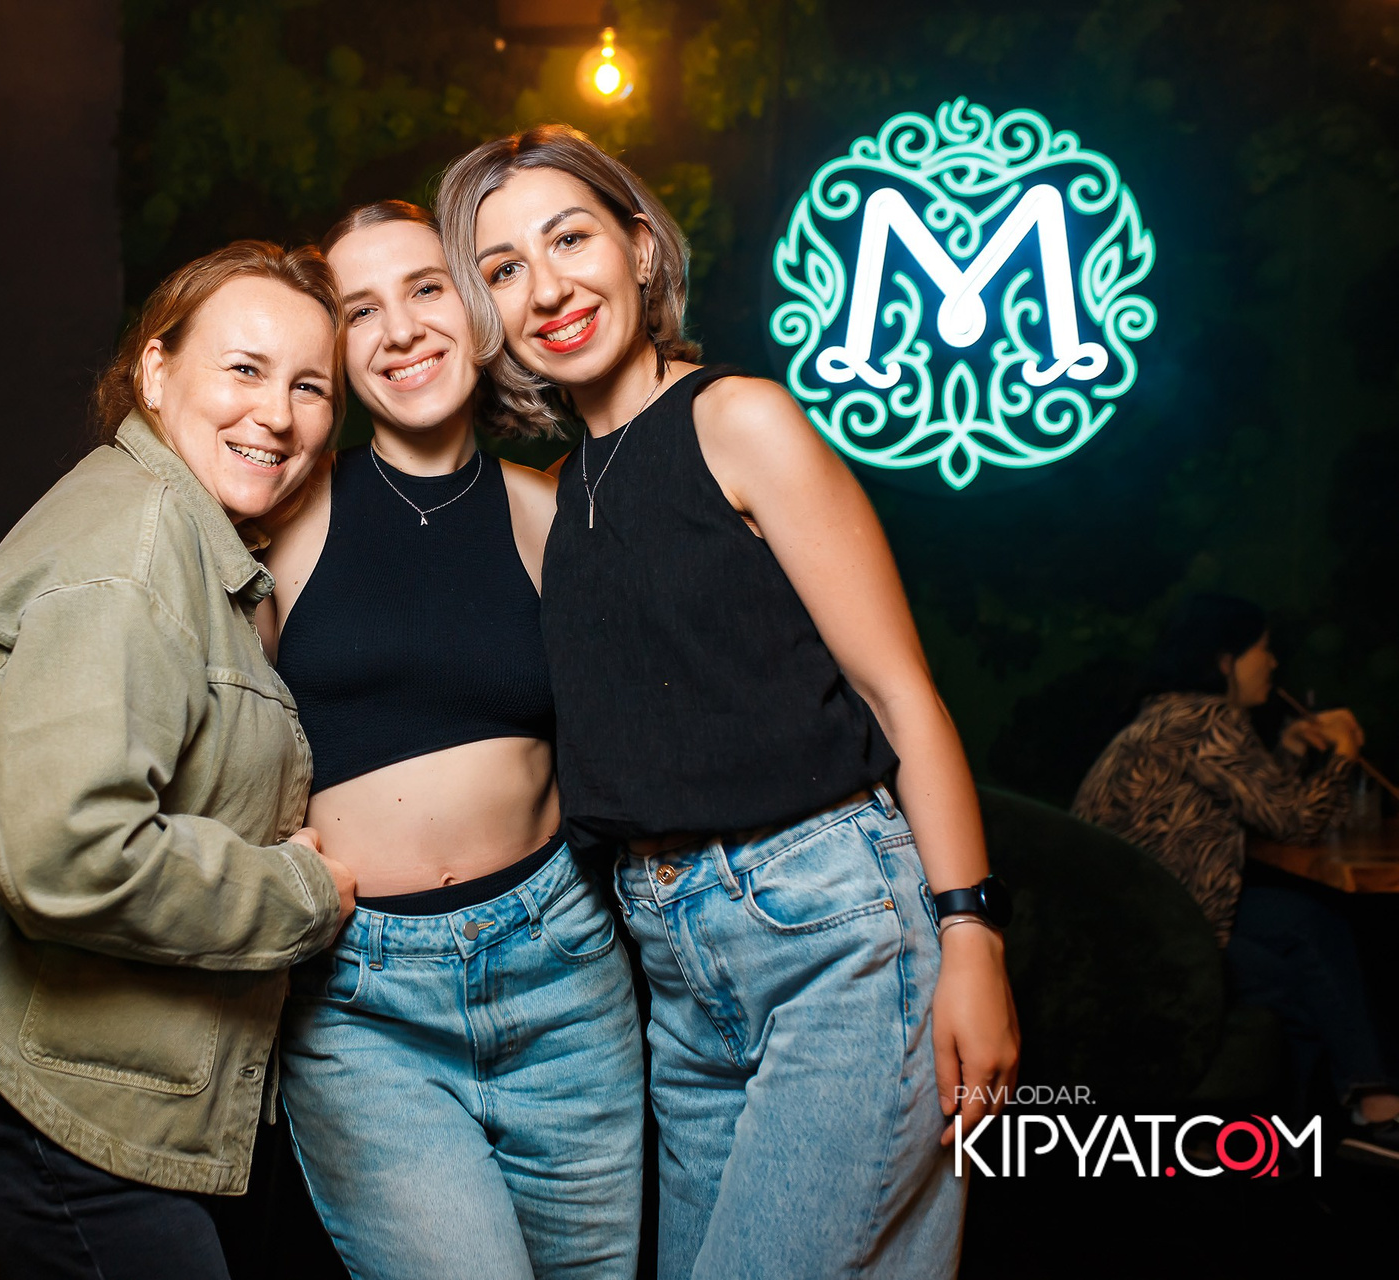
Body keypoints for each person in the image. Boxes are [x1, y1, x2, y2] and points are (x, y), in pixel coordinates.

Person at [437, 125, 1020, 1280]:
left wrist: (972, 935)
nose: (546, 287)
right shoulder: (557, 495)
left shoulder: (737, 419)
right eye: (503, 267)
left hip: (835, 933)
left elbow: (898, 692)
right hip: (676, 974)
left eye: (570, 239)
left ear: (641, 249)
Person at [0, 241, 361, 1278]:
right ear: (155, 370)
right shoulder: (137, 542)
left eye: (310, 387)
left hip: (91, 1083)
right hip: (52, 1102)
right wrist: (301, 895)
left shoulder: (182, 532)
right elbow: (74, 853)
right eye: (244, 368)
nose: (277, 413)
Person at [259, 200, 644, 1280]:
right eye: (359, 310)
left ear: (476, 308)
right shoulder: (285, 514)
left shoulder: (551, 510)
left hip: (563, 978)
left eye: (426, 288)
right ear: (334, 350)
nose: (401, 330)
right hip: (362, 1000)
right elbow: (216, 734)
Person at [1074, 593, 1399, 1163]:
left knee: (1305, 928)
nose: (1272, 663)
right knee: (1301, 974)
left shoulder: (1171, 715)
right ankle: (1292, 1141)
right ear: (1225, 660)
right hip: (1156, 940)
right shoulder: (1204, 718)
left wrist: (1288, 753)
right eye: (1262, 649)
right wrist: (1344, 753)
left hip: (1144, 919)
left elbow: (1259, 803)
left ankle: (1362, 1107)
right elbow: (1295, 822)